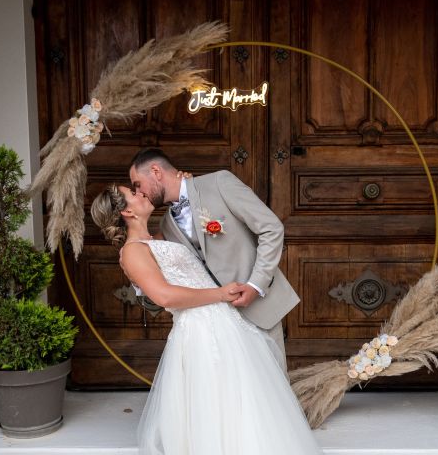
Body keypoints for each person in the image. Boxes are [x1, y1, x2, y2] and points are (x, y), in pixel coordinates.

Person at [91, 185, 322, 454]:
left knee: (240, 398)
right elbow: (164, 296)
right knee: (215, 400)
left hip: (223, 323)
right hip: (199, 329)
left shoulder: (158, 237)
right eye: (133, 192)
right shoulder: (132, 252)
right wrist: (220, 293)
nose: (141, 192)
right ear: (127, 210)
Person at [128, 148, 300, 373]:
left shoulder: (219, 183)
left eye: (138, 184)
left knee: (272, 385)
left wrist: (256, 285)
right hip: (216, 321)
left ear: (156, 171)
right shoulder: (166, 224)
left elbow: (271, 229)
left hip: (257, 304)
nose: (139, 193)